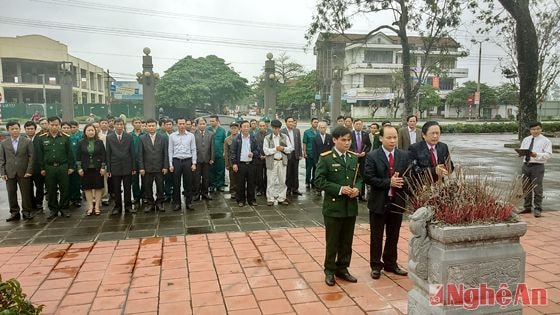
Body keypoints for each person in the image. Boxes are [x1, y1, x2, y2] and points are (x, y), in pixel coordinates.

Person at [314, 126, 362, 286]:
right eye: (343, 140)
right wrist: (340, 189)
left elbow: (359, 177)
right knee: (333, 241)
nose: (347, 143)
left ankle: (343, 268)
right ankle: (329, 270)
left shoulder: (354, 157)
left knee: (346, 241)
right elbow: (319, 181)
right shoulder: (326, 158)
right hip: (333, 208)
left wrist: (358, 189)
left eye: (349, 140)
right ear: (334, 140)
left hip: (350, 207)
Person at [364, 125, 410, 280]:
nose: (392, 140)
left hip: (397, 202)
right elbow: (368, 178)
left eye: (395, 137)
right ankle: (376, 265)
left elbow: (409, 177)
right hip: (378, 202)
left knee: (393, 235)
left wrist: (402, 181)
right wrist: (388, 182)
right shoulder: (372, 156)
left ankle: (391, 263)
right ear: (381, 138)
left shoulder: (404, 155)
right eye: (389, 137)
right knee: (376, 236)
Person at [38, 116, 75, 219]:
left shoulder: (66, 137)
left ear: (59, 125)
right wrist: (42, 168)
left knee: (65, 188)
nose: (54, 127)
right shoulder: (42, 138)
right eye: (52, 125)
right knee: (51, 189)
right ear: (48, 125)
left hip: (63, 166)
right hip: (49, 167)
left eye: (56, 125)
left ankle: (64, 208)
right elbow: (40, 155)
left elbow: (70, 153)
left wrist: (71, 166)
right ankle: (53, 209)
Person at [0, 121, 34, 221]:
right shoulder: (3, 143)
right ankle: (14, 212)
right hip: (9, 172)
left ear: (20, 129)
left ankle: (26, 212)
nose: (15, 131)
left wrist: (29, 170)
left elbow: (31, 157)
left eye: (16, 128)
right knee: (11, 192)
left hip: (24, 172)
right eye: (12, 129)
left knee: (26, 193)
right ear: (8, 130)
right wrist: (2, 173)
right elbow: (2, 159)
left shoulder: (27, 142)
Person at [518, 121, 552, 217]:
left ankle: (538, 208)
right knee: (525, 187)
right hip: (526, 165)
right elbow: (522, 149)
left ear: (541, 129)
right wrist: (521, 153)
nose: (535, 131)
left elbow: (548, 154)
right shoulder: (526, 139)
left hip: (537, 166)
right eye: (533, 129)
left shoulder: (546, 141)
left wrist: (536, 154)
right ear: (530, 130)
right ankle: (527, 207)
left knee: (537, 188)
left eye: (537, 129)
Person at [106, 118, 136, 215]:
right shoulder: (109, 137)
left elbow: (132, 153)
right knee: (116, 188)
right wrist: (109, 169)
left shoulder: (129, 137)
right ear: (114, 125)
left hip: (127, 166)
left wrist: (133, 167)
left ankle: (128, 206)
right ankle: (117, 206)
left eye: (121, 124)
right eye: (117, 124)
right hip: (115, 166)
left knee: (128, 188)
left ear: (124, 125)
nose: (119, 126)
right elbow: (108, 154)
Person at [138, 118, 169, 213]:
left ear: (156, 126)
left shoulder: (163, 137)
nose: (151, 127)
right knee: (148, 186)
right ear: (146, 127)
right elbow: (140, 154)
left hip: (160, 167)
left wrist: (165, 166)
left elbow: (165, 153)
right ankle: (150, 203)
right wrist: (141, 168)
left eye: (153, 125)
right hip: (147, 168)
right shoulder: (142, 138)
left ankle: (159, 202)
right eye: (149, 126)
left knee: (160, 186)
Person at [76, 124, 106, 216]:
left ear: (95, 131)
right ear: (85, 132)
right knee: (87, 188)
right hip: (86, 169)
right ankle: (90, 206)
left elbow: (103, 156)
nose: (91, 132)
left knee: (98, 187)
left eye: (92, 130)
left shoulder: (99, 142)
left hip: (97, 168)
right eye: (88, 130)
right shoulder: (81, 142)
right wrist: (79, 168)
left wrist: (103, 167)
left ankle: (97, 206)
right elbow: (78, 157)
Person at [168, 117, 197, 211]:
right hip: (176, 161)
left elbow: (193, 150)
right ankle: (177, 203)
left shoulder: (191, 136)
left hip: (188, 161)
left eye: (183, 123)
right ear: (176, 124)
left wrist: (194, 163)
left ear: (186, 124)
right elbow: (170, 150)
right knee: (176, 183)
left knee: (188, 183)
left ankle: (189, 202)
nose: (181, 126)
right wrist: (170, 164)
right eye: (179, 124)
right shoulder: (172, 136)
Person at [263, 119, 293, 206]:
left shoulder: (284, 137)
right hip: (272, 162)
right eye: (274, 128)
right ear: (271, 128)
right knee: (271, 181)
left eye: (278, 128)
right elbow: (266, 151)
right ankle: (270, 198)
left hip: (282, 161)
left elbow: (291, 148)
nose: (276, 130)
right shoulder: (267, 138)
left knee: (282, 181)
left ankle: (281, 198)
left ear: (280, 128)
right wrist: (275, 149)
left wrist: (283, 148)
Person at [230, 120, 260, 207]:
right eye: (244, 126)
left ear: (250, 127)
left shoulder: (253, 138)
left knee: (251, 183)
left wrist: (253, 153)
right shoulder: (237, 139)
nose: (246, 128)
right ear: (241, 128)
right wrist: (234, 163)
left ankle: (251, 200)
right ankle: (241, 200)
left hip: (251, 164)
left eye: (248, 126)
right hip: (241, 164)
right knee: (240, 183)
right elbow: (233, 152)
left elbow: (257, 150)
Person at [24, 121, 45, 211]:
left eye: (32, 129)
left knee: (39, 186)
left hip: (38, 168)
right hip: (26, 168)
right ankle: (31, 203)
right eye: (28, 129)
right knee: (28, 187)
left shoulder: (40, 139)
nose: (30, 130)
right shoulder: (22, 140)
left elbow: (42, 154)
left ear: (35, 129)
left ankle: (39, 202)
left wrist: (42, 168)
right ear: (25, 130)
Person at [194, 117, 215, 200]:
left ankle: (205, 193)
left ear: (206, 124)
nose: (202, 125)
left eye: (203, 124)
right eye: (200, 124)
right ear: (197, 125)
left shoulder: (210, 134)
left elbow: (212, 147)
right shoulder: (193, 134)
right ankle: (196, 194)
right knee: (196, 178)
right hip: (197, 160)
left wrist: (212, 158)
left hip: (207, 159)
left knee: (206, 178)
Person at [351, 119, 372, 200]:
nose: (358, 125)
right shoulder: (350, 134)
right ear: (354, 125)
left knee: (362, 175)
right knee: (353, 175)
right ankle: (353, 192)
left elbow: (369, 145)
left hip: (363, 158)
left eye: (360, 124)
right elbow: (348, 145)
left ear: (362, 125)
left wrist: (365, 152)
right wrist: (353, 153)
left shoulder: (365, 134)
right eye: (356, 124)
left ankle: (361, 194)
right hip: (353, 157)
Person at [281, 116, 303, 196]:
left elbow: (299, 143)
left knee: (295, 172)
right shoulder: (282, 131)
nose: (291, 123)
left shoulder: (297, 131)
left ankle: (295, 188)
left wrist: (300, 153)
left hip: (295, 154)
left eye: (292, 121)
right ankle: (287, 188)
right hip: (287, 155)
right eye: (289, 121)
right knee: (288, 172)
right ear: (286, 122)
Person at [208, 115, 227, 192]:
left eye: (213, 121)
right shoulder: (208, 130)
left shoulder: (222, 130)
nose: (212, 122)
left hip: (220, 153)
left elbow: (224, 142)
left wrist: (224, 152)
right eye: (210, 121)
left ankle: (219, 184)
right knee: (211, 170)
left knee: (220, 169)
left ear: (217, 121)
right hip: (210, 154)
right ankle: (212, 185)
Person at [130, 118, 146, 204]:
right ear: (132, 124)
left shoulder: (145, 134)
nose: (138, 124)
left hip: (144, 160)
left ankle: (144, 196)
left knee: (145, 179)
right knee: (134, 180)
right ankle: (136, 196)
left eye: (139, 122)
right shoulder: (129, 135)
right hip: (133, 161)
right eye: (136, 123)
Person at [68, 121, 83, 208]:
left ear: (77, 127)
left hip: (77, 163)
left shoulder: (79, 137)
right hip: (67, 164)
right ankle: (70, 198)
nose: (72, 129)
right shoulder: (66, 137)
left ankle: (77, 198)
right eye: (71, 127)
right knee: (68, 183)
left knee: (76, 182)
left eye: (74, 127)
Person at [224, 121, 239, 199]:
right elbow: (226, 153)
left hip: (240, 161)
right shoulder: (227, 139)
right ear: (230, 129)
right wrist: (227, 164)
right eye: (232, 128)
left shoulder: (241, 137)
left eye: (235, 128)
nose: (234, 130)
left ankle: (240, 191)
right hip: (231, 162)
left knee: (240, 177)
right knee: (232, 177)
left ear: (238, 129)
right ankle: (233, 191)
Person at [303, 118, 319, 189]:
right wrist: (304, 152)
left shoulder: (319, 132)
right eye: (315, 122)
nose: (316, 124)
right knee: (308, 169)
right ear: (311, 123)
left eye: (317, 122)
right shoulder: (307, 132)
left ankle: (314, 182)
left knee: (316, 169)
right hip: (309, 153)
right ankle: (307, 181)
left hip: (317, 154)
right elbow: (304, 143)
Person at [254, 121, 269, 197]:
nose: (262, 127)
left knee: (267, 174)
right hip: (258, 158)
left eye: (263, 126)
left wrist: (267, 155)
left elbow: (271, 146)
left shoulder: (269, 135)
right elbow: (254, 147)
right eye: (260, 126)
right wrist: (259, 155)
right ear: (258, 126)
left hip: (268, 157)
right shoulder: (255, 135)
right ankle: (259, 189)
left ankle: (266, 189)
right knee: (259, 175)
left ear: (266, 126)